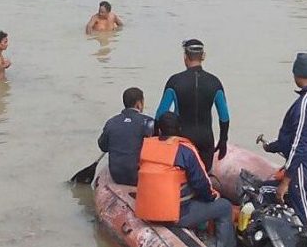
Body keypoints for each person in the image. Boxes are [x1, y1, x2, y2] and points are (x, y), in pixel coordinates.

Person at [136, 112, 236, 247]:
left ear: (159, 130)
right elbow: (201, 183)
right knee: (224, 207)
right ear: (180, 130)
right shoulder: (185, 150)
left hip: (147, 212)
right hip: (176, 215)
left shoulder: (145, 147)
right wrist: (212, 197)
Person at [261, 53, 307, 234]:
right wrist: (273, 146)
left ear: (297, 74)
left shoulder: (305, 104)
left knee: (305, 213)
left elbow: (298, 143)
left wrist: (286, 180)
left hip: (303, 164)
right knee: (290, 198)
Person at [155, 39, 230, 172]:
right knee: (204, 176)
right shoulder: (214, 82)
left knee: (183, 178)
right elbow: (224, 116)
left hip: (183, 140)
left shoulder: (175, 81)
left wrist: (156, 137)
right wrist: (223, 140)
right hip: (206, 140)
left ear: (185, 56)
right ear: (203, 56)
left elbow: (160, 114)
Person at [97, 87, 155, 186]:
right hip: (136, 175)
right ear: (139, 104)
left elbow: (103, 146)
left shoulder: (111, 122)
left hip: (116, 175)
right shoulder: (148, 122)